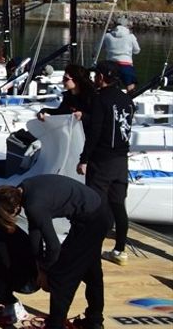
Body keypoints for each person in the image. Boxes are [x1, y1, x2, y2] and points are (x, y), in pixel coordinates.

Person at [0, 176, 107, 329]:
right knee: (92, 272)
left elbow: (54, 247)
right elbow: (35, 231)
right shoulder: (23, 189)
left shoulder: (34, 205)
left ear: (12, 209)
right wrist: (38, 264)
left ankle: (55, 325)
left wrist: (45, 273)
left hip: (92, 221)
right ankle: (94, 321)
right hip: (99, 212)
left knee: (62, 278)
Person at [79, 60, 135, 266]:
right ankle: (120, 250)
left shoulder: (100, 99)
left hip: (102, 160)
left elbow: (95, 132)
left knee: (96, 203)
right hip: (122, 160)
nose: (94, 79)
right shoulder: (127, 100)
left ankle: (91, 247)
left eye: (96, 76)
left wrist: (84, 158)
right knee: (118, 205)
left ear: (101, 78)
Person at [99, 16, 140, 92]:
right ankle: (129, 100)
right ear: (126, 26)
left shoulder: (107, 36)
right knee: (130, 86)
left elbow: (98, 48)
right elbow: (137, 50)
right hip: (126, 65)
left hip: (111, 65)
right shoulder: (131, 36)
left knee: (110, 86)